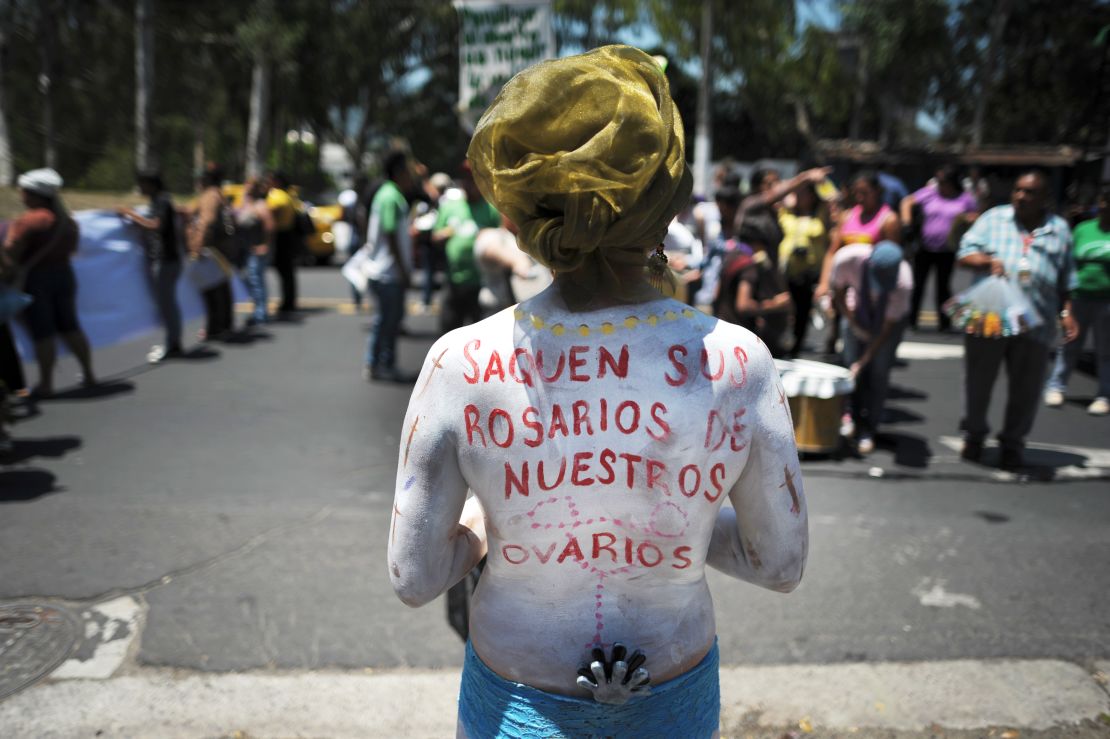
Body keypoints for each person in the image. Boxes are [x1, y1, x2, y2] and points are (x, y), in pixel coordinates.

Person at [388, 45, 807, 738]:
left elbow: (414, 575)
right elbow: (780, 561)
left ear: (521, 214)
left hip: (518, 692)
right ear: (667, 203)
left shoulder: (459, 362)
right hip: (673, 688)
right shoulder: (740, 360)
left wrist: (483, 525)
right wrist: (667, 522)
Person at [956, 170, 1078, 470]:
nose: (1021, 197)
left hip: (1036, 321)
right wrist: (987, 261)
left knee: (1026, 389)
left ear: (1045, 198)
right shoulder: (993, 219)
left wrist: (1067, 313)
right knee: (978, 381)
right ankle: (974, 435)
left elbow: (1067, 279)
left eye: (1030, 192)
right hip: (991, 318)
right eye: (1018, 190)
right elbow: (964, 254)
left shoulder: (1059, 230)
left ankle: (1012, 443)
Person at [1, 168, 95, 396]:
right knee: (70, 326)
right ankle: (89, 374)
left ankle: (46, 383)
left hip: (35, 280)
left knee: (43, 332)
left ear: (34, 194)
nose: (20, 195)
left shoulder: (29, 221)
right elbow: (72, 249)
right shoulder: (67, 221)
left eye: (23, 191)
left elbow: (9, 254)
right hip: (64, 275)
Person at [830, 241, 913, 454]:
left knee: (878, 371)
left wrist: (864, 359)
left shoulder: (903, 282)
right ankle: (849, 417)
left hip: (886, 323)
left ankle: (869, 427)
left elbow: (885, 329)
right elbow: (837, 291)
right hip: (855, 310)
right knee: (849, 370)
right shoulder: (847, 259)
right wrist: (853, 323)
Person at [1045, 184, 1110, 415]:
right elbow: (1068, 263)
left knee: (1105, 350)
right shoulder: (1083, 229)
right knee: (1069, 344)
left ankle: (1104, 395)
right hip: (1079, 297)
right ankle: (1057, 386)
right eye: (1104, 202)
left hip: (1107, 301)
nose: (1106, 207)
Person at [900, 165, 979, 331]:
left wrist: (968, 220)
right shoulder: (930, 193)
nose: (940, 185)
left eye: (944, 182)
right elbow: (907, 202)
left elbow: (976, 217)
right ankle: (911, 320)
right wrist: (906, 223)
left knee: (943, 287)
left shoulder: (965, 199)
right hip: (925, 247)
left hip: (947, 250)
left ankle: (944, 323)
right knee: (917, 284)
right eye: (939, 181)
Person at [118, 171, 185, 362]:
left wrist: (129, 214)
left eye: (143, 184)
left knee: (167, 304)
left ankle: (173, 344)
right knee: (167, 303)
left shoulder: (162, 201)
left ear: (152, 184)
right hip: (166, 259)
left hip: (165, 260)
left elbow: (156, 225)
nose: (140, 188)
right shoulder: (160, 200)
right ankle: (173, 341)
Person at [362, 150, 414, 382]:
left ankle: (375, 363)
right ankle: (382, 363)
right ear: (399, 172)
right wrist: (403, 268)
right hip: (388, 272)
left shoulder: (386, 193)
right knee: (388, 321)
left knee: (385, 320)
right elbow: (391, 233)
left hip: (381, 269)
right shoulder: (391, 196)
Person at [431, 161, 500, 333]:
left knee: (480, 334)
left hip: (480, 283)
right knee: (447, 331)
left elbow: (501, 239)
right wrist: (444, 235)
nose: (469, 184)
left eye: (473, 179)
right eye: (466, 179)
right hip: (453, 281)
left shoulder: (491, 209)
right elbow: (435, 236)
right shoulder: (450, 207)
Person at [714, 220, 793, 357]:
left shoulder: (730, 257)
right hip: (739, 335)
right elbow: (743, 305)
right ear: (759, 243)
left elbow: (716, 294)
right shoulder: (748, 266)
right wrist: (775, 304)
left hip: (721, 328)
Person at [778, 181, 831, 356]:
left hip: (809, 273)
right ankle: (780, 342)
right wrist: (794, 188)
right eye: (797, 193)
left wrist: (817, 181)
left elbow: (832, 196)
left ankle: (796, 346)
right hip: (785, 273)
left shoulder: (822, 215)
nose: (800, 197)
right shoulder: (785, 212)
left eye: (804, 193)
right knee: (783, 309)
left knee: (803, 311)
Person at [188, 164, 234, 340]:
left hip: (211, 249)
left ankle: (216, 327)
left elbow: (207, 220)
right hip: (220, 249)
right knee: (220, 287)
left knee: (212, 289)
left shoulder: (210, 196)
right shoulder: (217, 194)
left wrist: (197, 246)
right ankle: (223, 325)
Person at [235, 177, 275, 327]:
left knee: (256, 280)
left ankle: (261, 313)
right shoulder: (245, 204)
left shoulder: (260, 205)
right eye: (246, 185)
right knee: (249, 280)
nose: (247, 188)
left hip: (257, 250)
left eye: (251, 186)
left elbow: (270, 226)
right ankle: (257, 310)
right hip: (245, 249)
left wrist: (265, 244)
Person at [266, 171, 300, 317]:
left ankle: (288, 302)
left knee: (284, 271)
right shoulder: (289, 195)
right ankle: (289, 301)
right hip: (288, 235)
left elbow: (271, 214)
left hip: (281, 236)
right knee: (288, 272)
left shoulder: (277, 196)